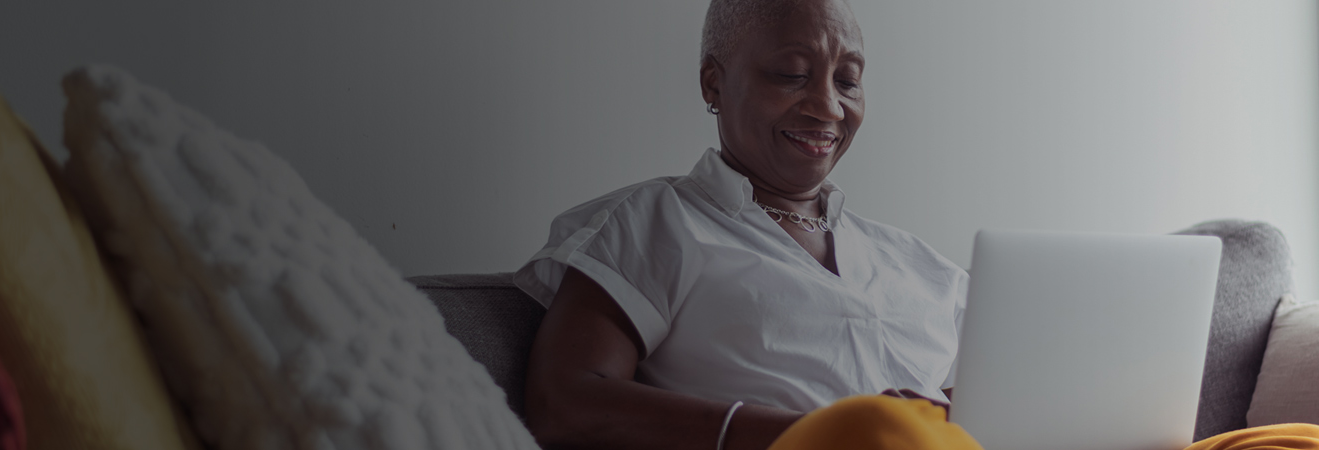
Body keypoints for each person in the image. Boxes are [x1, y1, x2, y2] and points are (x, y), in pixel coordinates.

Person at [512, 0, 1319, 449]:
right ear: (713, 83)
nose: (826, 105)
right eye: (792, 74)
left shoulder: (911, 260)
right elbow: (564, 400)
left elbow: (1004, 397)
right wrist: (808, 434)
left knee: (1286, 442)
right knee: (875, 429)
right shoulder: (658, 222)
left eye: (848, 80)